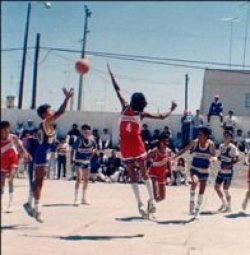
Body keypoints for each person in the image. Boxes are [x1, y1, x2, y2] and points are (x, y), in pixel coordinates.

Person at [108, 64, 177, 217]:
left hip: (125, 145)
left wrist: (112, 75)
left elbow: (117, 89)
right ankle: (152, 201)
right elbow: (161, 117)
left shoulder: (125, 107)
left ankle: (140, 204)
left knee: (133, 175)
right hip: (137, 144)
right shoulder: (141, 114)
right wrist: (171, 109)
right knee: (144, 173)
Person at [23, 88, 74, 223]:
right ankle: (37, 208)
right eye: (50, 110)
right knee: (39, 181)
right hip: (40, 155)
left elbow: (48, 142)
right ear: (45, 113)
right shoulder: (46, 122)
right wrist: (67, 98)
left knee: (39, 180)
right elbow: (61, 112)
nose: (52, 112)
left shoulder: (48, 126)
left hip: (43, 153)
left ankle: (29, 203)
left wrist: (58, 147)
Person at [174, 127, 216, 219]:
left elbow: (214, 156)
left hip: (205, 170)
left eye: (200, 134)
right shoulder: (195, 142)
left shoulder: (211, 144)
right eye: (198, 134)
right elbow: (185, 149)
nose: (198, 135)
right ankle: (191, 202)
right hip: (195, 168)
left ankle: (197, 211)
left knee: (201, 192)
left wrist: (213, 159)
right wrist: (175, 157)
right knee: (195, 182)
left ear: (206, 136)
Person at [1, 121, 30, 212]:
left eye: (7, 129)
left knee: (10, 180)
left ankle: (10, 205)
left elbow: (21, 147)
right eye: (4, 130)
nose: (6, 131)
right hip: (2, 161)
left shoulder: (13, 137)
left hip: (13, 160)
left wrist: (25, 153)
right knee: (1, 184)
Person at [214, 130, 239, 212]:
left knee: (225, 189)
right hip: (221, 170)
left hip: (228, 172)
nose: (225, 137)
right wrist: (214, 158)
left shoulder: (233, 148)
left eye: (227, 136)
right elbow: (220, 156)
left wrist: (228, 166)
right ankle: (223, 203)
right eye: (224, 135)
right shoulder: (221, 146)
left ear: (231, 138)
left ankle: (229, 207)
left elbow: (237, 159)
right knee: (217, 187)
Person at [72, 124, 96, 206]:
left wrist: (91, 156)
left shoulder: (92, 140)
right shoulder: (79, 140)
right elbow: (73, 149)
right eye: (84, 131)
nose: (86, 133)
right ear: (82, 132)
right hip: (78, 161)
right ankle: (76, 199)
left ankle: (83, 198)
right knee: (79, 179)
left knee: (86, 180)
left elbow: (95, 148)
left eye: (87, 131)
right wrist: (72, 159)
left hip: (87, 162)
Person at [148, 134, 171, 202]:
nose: (166, 143)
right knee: (156, 195)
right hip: (154, 172)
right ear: (160, 142)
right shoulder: (154, 151)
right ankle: (152, 202)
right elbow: (146, 158)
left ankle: (150, 202)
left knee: (162, 197)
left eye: (167, 141)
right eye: (164, 141)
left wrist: (170, 174)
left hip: (162, 174)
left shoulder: (168, 151)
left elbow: (169, 162)